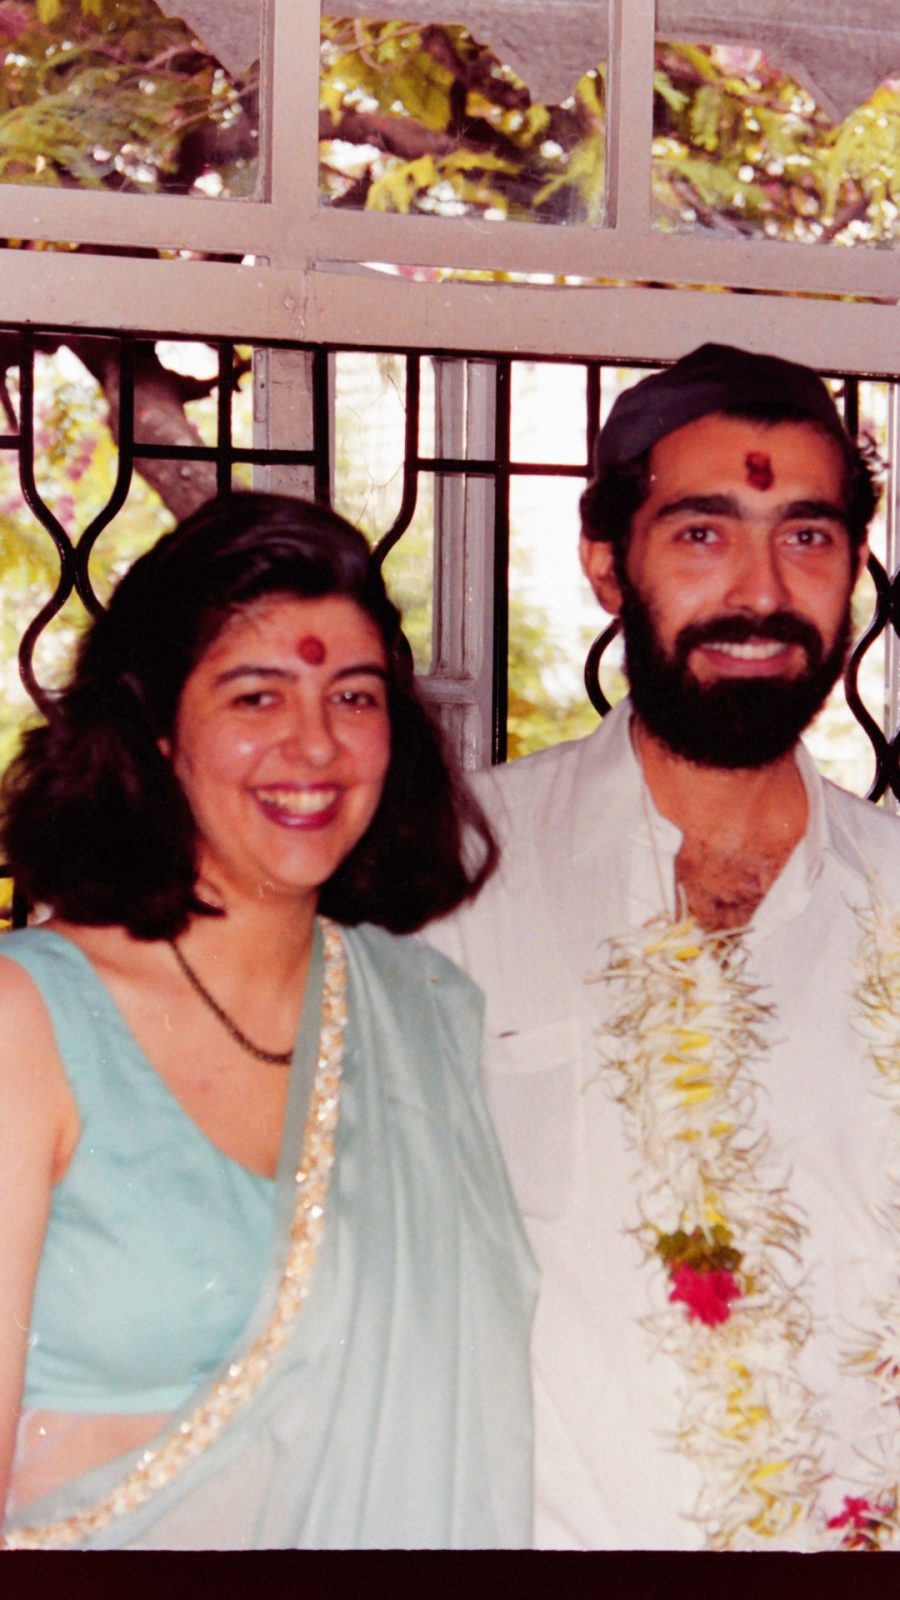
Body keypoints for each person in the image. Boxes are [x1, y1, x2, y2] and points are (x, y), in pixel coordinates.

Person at [425, 343, 900, 1552]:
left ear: (856, 567)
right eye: (702, 533)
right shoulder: (448, 883)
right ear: (606, 563)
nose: (760, 591)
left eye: (807, 536)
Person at [0, 491, 535, 1551]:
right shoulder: (28, 1024)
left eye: (354, 696)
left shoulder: (423, 1019)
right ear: (159, 731)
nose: (315, 745)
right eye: (256, 697)